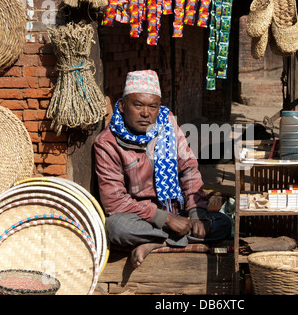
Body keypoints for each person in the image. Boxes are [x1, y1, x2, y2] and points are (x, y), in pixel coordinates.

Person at [94, 70, 232, 268]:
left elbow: (189, 170)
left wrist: (196, 214)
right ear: (123, 106)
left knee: (223, 223)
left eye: (153, 106)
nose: (145, 113)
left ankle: (156, 243)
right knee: (116, 229)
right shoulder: (107, 143)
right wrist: (165, 219)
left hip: (178, 212)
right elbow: (114, 202)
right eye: (138, 105)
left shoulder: (168, 125)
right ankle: (166, 239)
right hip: (141, 217)